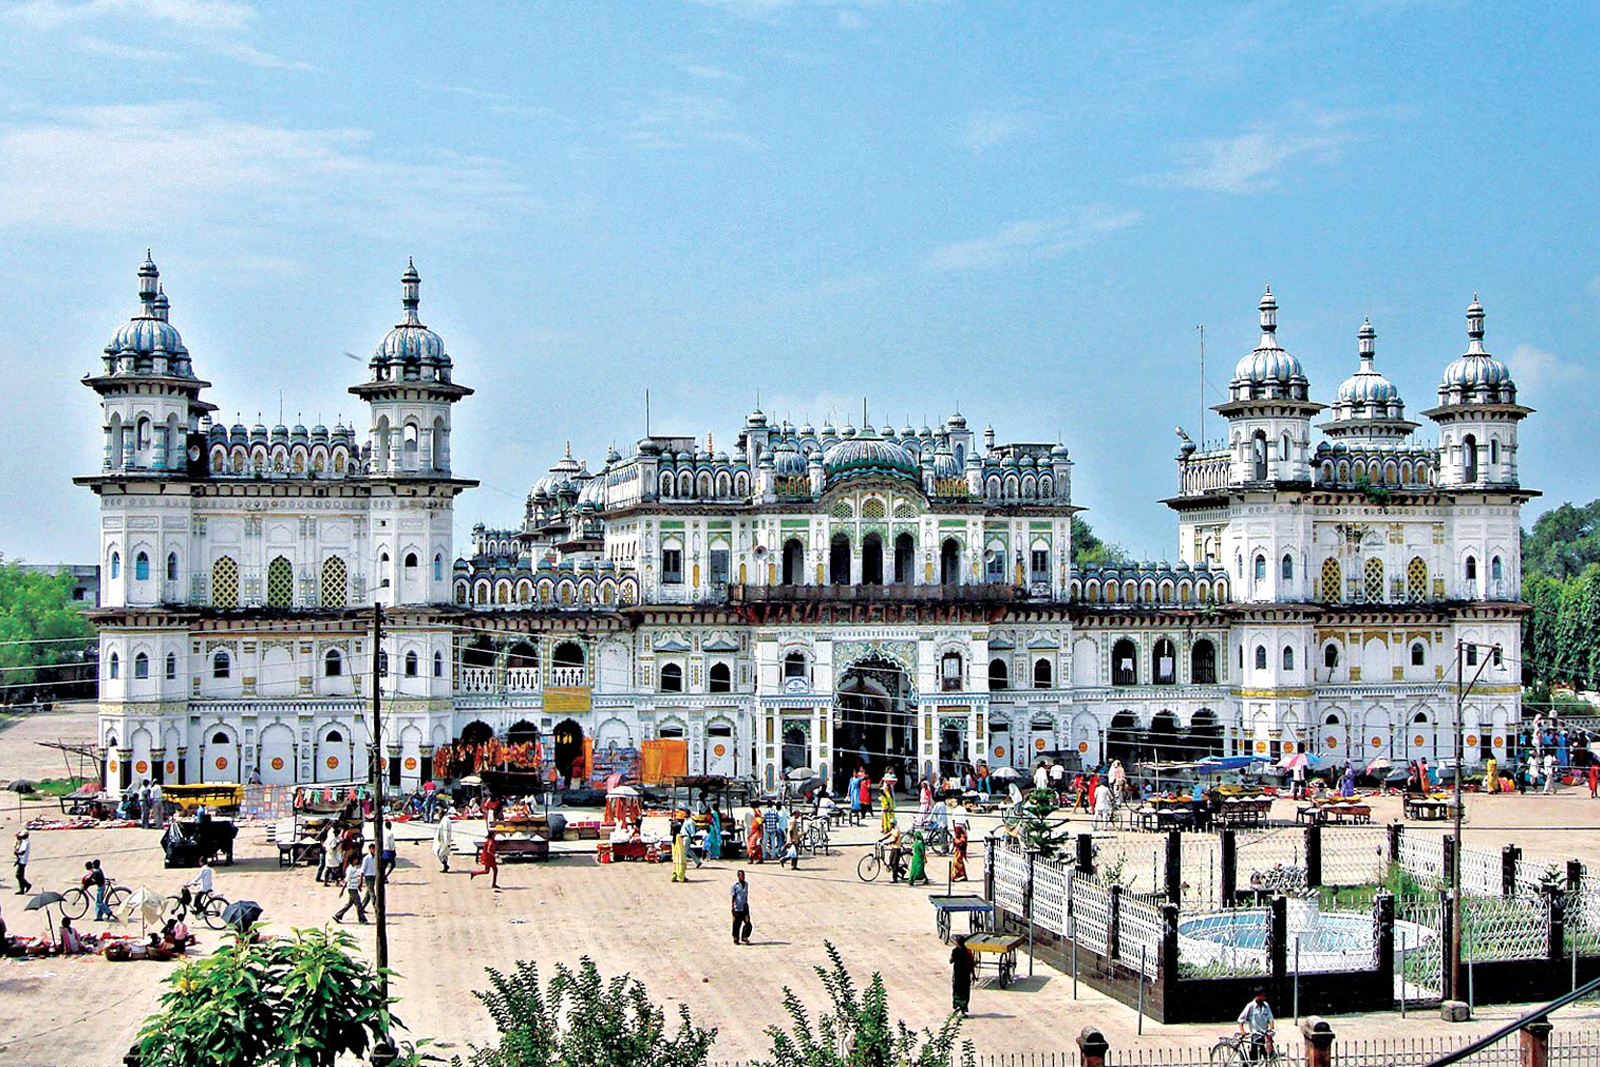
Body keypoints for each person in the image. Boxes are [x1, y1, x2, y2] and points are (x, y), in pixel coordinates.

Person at [1238, 991, 1275, 1060]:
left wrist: (1272, 1028)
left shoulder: (1266, 1005)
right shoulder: (1250, 1006)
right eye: (1262, 996)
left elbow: (1271, 1019)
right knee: (1255, 1060)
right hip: (1256, 1036)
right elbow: (1241, 1020)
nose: (1264, 998)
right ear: (1257, 996)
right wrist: (1242, 1031)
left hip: (1265, 1035)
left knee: (1270, 1057)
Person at [332, 856, 368, 924]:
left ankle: (337, 916)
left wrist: (358, 886)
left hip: (354, 888)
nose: (357, 861)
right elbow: (347, 880)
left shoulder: (354, 868)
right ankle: (362, 919)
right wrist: (342, 891)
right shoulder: (350, 869)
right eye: (355, 860)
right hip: (351, 889)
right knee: (358, 904)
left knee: (349, 904)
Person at [950, 934, 976, 1014]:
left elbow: (951, 961)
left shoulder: (955, 951)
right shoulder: (968, 952)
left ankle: (957, 1005)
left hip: (958, 974)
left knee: (957, 989)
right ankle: (963, 1008)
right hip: (966, 974)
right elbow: (971, 964)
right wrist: (973, 975)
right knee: (965, 991)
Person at [730, 869, 752, 944]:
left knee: (748, 923)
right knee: (736, 924)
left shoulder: (746, 884)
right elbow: (733, 896)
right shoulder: (735, 885)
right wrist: (732, 907)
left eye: (743, 875)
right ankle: (736, 938)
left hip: (744, 907)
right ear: (738, 876)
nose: (743, 877)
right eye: (741, 875)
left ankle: (744, 936)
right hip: (737, 907)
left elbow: (746, 894)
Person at [13, 831, 30, 895]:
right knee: (20, 875)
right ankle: (21, 889)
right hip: (20, 859)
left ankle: (27, 884)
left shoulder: (26, 842)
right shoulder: (23, 841)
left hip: (23, 860)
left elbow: (23, 852)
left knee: (18, 875)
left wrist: (17, 853)